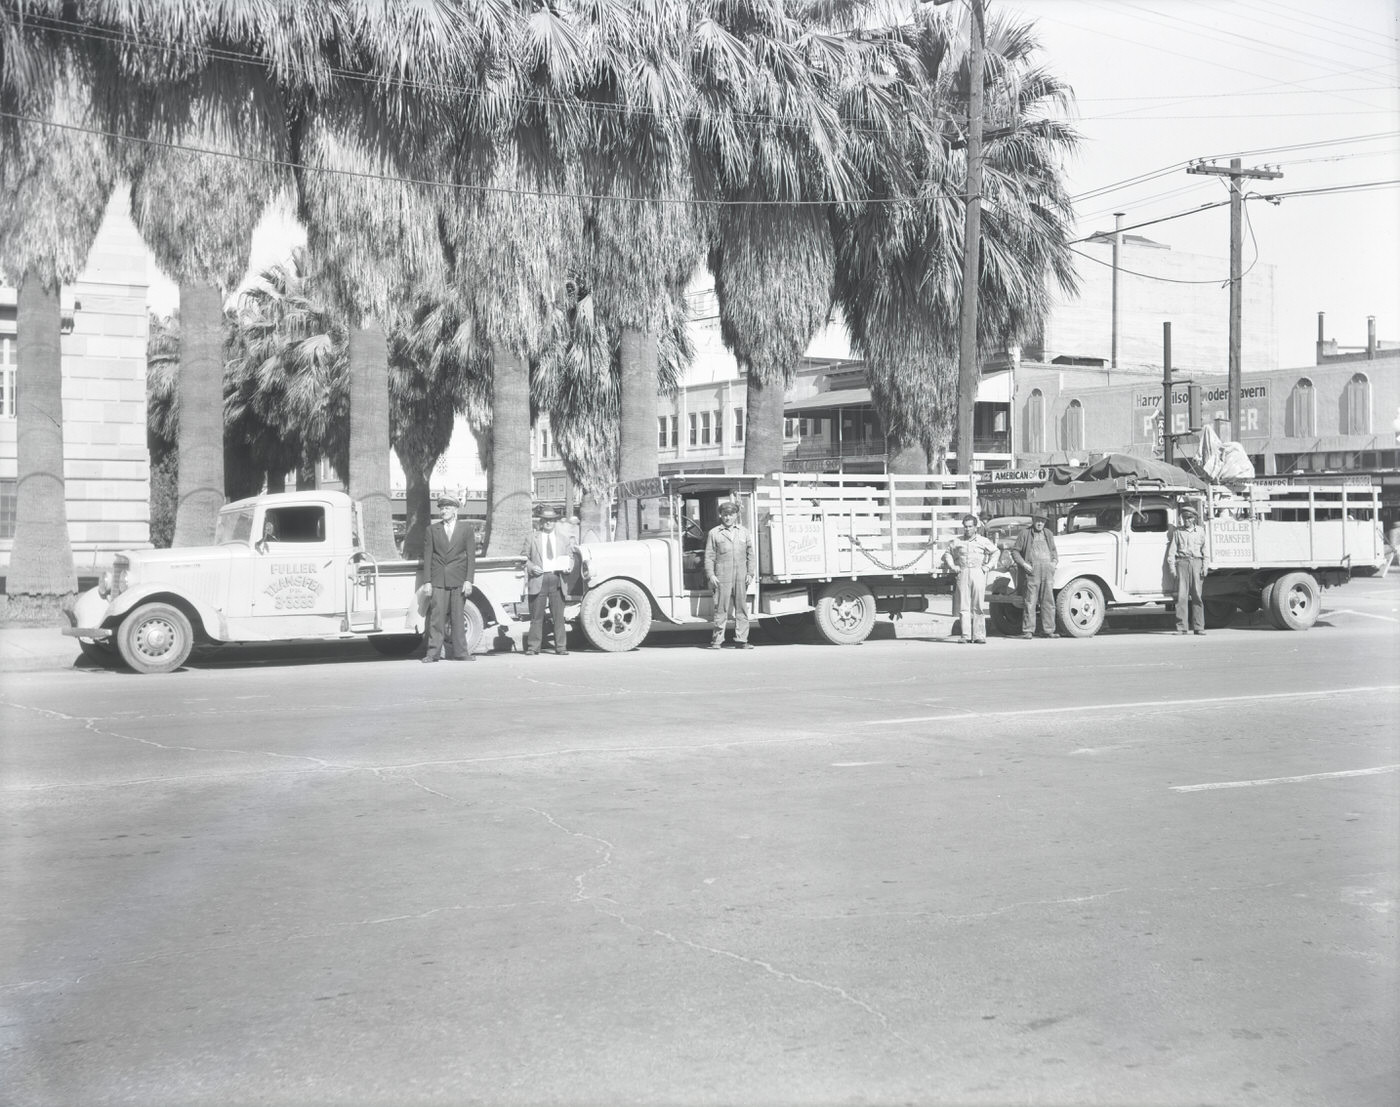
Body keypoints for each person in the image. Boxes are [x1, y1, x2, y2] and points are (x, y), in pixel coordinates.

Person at [422, 495, 476, 662]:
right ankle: (432, 653)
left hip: (458, 579)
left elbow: (471, 557)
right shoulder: (432, 530)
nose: (443, 511)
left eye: (447, 508)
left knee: (458, 617)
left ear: (455, 510)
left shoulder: (466, 529)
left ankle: (461, 653)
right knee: (437, 618)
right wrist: (427, 581)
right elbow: (428, 556)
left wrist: (468, 580)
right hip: (438, 579)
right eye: (441, 508)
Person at [704, 500, 756, 649]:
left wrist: (750, 573)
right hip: (722, 576)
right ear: (721, 515)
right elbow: (709, 556)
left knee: (741, 608)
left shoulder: (743, 531)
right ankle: (717, 641)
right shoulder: (714, 533)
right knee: (721, 608)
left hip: (741, 575)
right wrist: (711, 575)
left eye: (731, 514)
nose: (727, 518)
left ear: (736, 515)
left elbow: (750, 554)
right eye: (725, 515)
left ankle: (742, 640)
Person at [942, 513, 998, 644]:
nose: (967, 529)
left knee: (978, 605)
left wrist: (988, 566)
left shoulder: (982, 541)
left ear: (975, 527)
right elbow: (948, 553)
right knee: (964, 605)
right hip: (963, 572)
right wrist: (952, 566)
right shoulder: (958, 541)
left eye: (970, 526)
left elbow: (996, 552)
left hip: (978, 571)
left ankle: (979, 635)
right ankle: (966, 635)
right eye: (965, 526)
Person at [525, 507, 570, 656]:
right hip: (539, 579)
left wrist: (568, 567)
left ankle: (561, 647)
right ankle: (533, 647)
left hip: (557, 579)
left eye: (551, 520)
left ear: (555, 522)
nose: (548, 522)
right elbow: (523, 558)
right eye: (546, 520)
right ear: (541, 521)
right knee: (536, 616)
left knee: (558, 616)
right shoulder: (532, 538)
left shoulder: (563, 538)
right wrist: (532, 568)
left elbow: (570, 558)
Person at [1011, 515, 1059, 639]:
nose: (1039, 523)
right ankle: (1028, 631)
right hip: (1032, 572)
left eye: (1042, 521)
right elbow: (1015, 551)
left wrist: (1054, 562)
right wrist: (1023, 564)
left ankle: (1048, 630)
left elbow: (1053, 550)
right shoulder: (1025, 533)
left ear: (1045, 523)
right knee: (1030, 602)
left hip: (1047, 572)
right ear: (1033, 521)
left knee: (1048, 601)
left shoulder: (1048, 533)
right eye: (1037, 521)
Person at [1166, 504, 1207, 635]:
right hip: (1182, 564)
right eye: (1185, 518)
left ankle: (1198, 627)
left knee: (1197, 597)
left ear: (1194, 518)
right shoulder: (1178, 532)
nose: (1187, 520)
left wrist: (1205, 567)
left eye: (1189, 518)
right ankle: (1181, 627)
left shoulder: (1200, 531)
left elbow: (1205, 550)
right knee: (1181, 597)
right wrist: (1173, 569)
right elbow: (1172, 552)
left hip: (1196, 563)